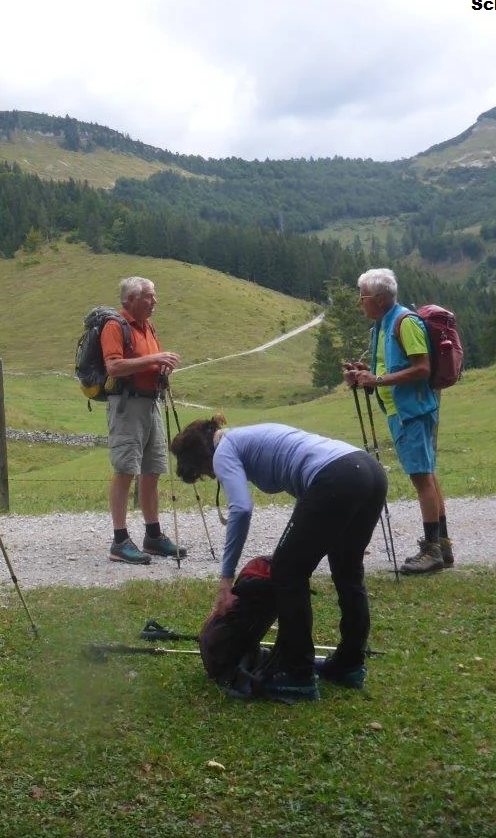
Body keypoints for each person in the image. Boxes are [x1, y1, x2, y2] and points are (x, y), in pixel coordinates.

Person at [170, 414, 387, 703]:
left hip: (337, 477)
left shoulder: (224, 450)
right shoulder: (246, 436)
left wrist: (226, 579)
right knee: (347, 570)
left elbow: (241, 509)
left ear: (201, 458)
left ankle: (297, 673)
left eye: (204, 473)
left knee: (286, 572)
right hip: (367, 470)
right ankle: (350, 664)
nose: (212, 476)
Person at [343, 267, 453, 574]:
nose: (360, 302)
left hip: (412, 412)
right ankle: (442, 546)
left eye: (363, 296)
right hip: (402, 411)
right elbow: (389, 366)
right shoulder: (383, 325)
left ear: (379, 299)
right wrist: (364, 373)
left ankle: (432, 551)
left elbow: (422, 368)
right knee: (427, 475)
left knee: (421, 478)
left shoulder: (405, 322)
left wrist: (376, 380)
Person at [100, 276, 184, 564]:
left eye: (154, 295)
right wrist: (154, 360)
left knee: (153, 469)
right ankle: (119, 541)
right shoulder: (115, 326)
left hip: (151, 403)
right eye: (149, 296)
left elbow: (148, 362)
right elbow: (113, 367)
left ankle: (153, 536)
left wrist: (161, 368)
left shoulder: (148, 326)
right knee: (125, 469)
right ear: (131, 300)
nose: (154, 301)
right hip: (127, 405)